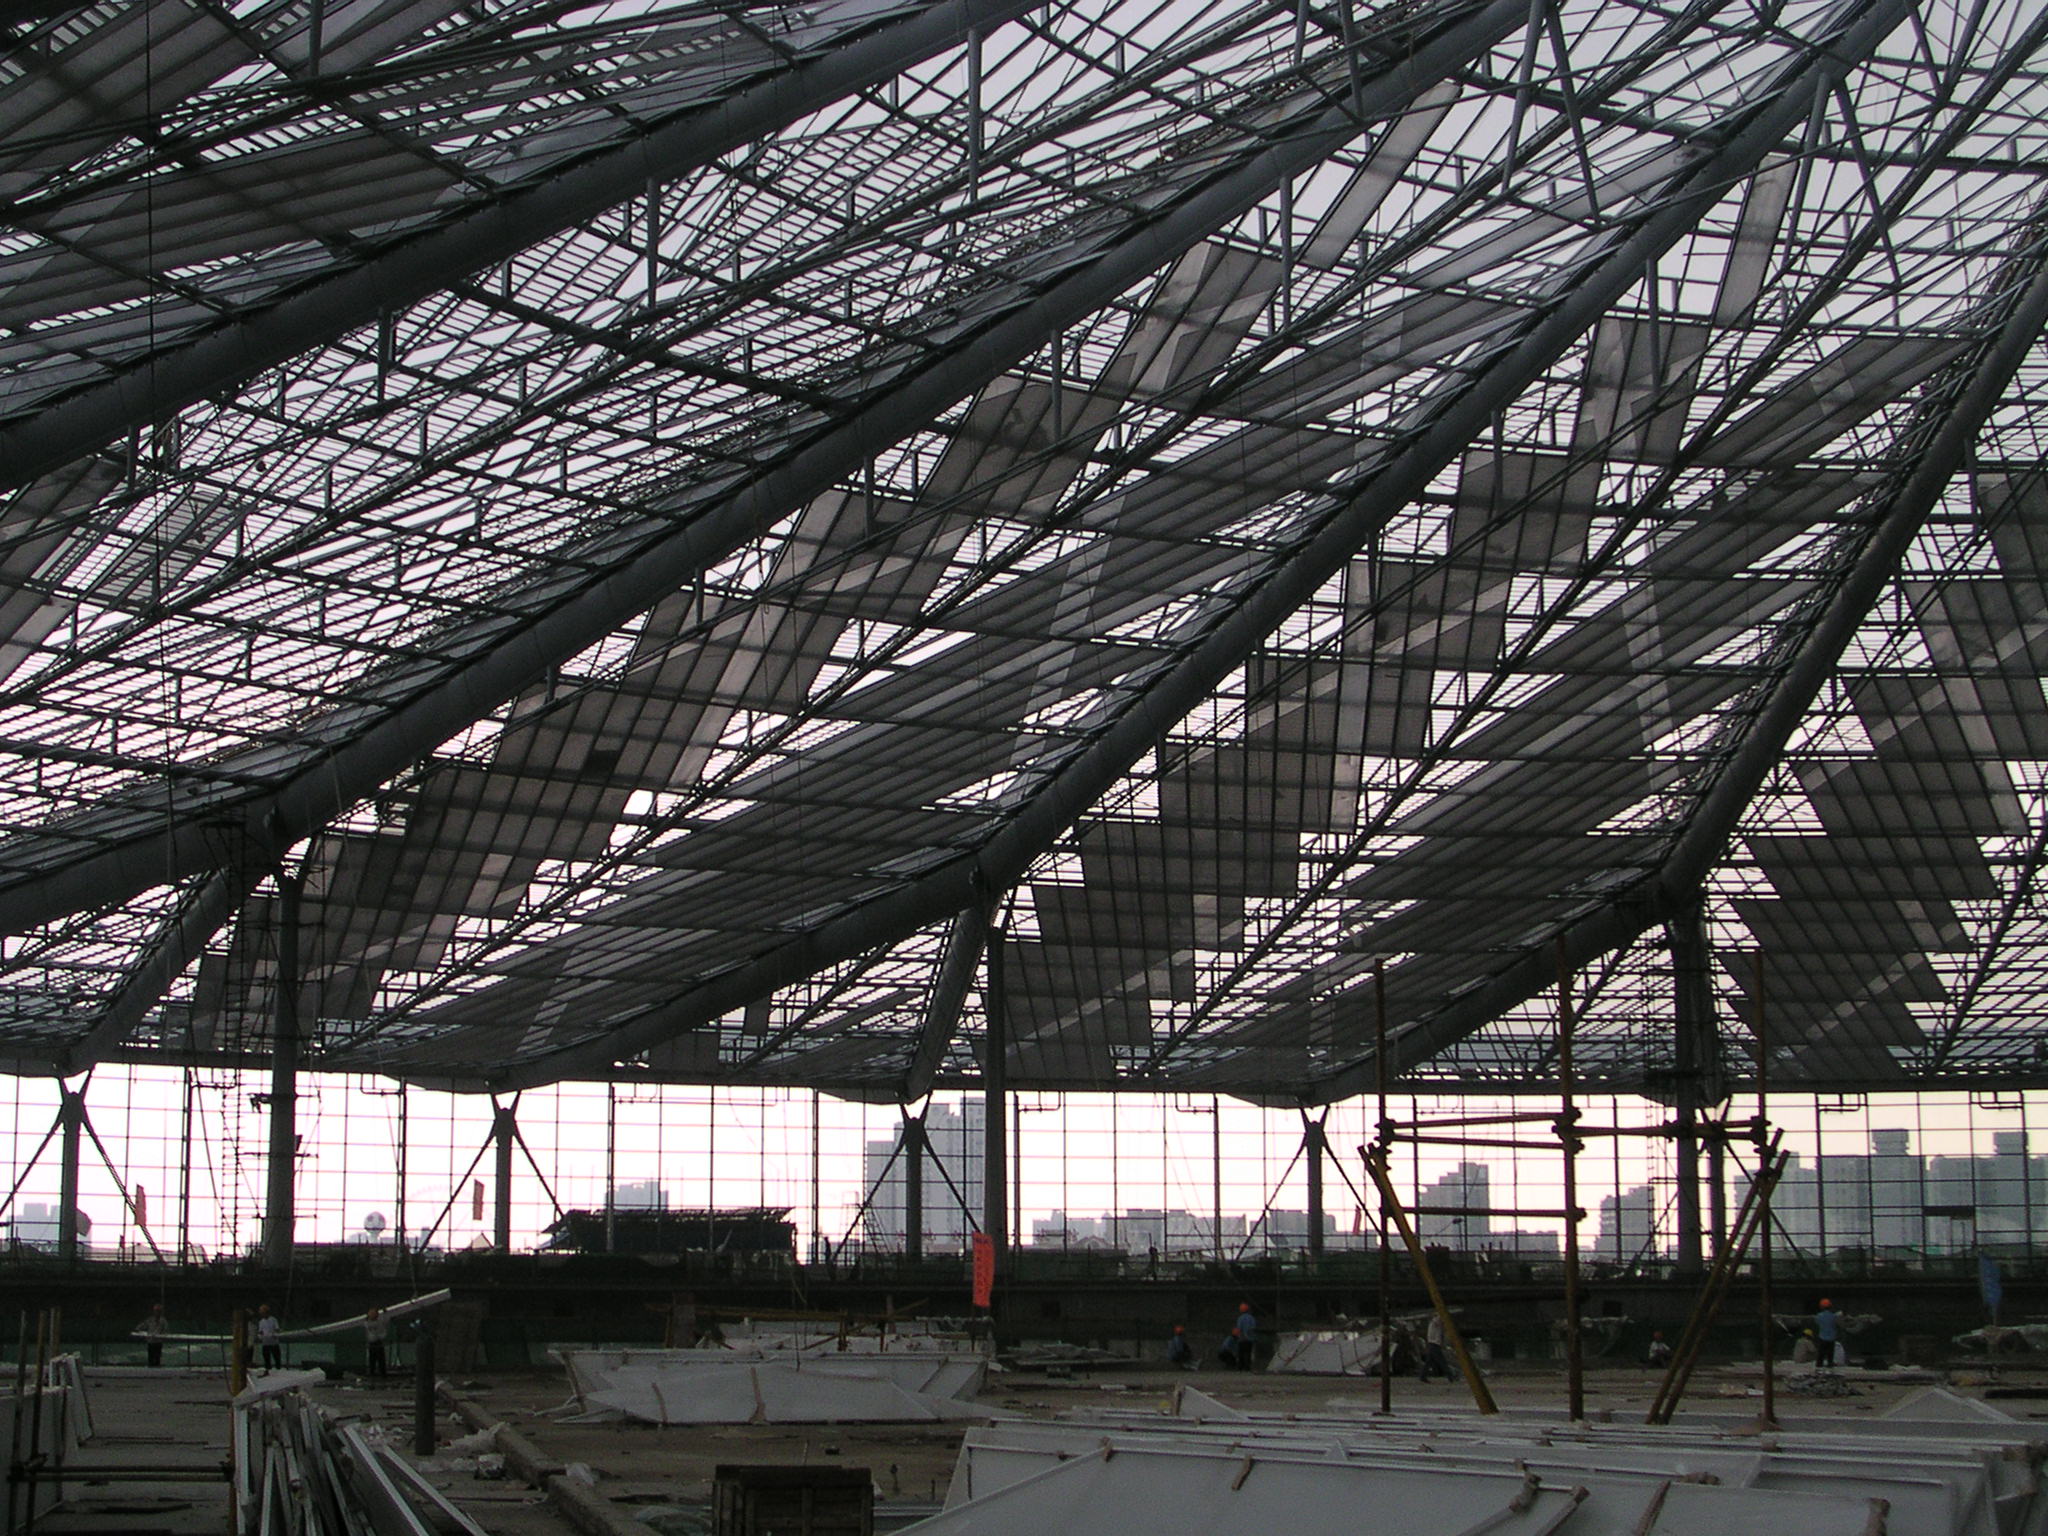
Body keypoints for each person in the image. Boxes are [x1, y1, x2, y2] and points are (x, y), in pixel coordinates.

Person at [1418, 1312, 1452, 1381]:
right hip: (1434, 1344)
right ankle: (1450, 1376)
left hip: (1432, 1344)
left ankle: (1422, 1376)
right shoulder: (1435, 1323)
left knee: (1429, 1362)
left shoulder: (1433, 1324)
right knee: (1442, 1361)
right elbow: (1440, 1321)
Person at [136, 1303, 168, 1369]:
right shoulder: (150, 1320)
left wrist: (161, 1335)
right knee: (150, 1359)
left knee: (157, 1359)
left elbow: (165, 1331)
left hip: (158, 1342)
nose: (157, 1312)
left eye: (159, 1311)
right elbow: (139, 1327)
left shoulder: (163, 1321)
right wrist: (143, 1333)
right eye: (156, 1311)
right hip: (151, 1342)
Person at [1228, 1302, 1258, 1371]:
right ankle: (1247, 1368)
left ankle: (1240, 1368)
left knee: (1241, 1353)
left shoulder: (1240, 1318)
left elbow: (1239, 1329)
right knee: (1248, 1353)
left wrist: (1239, 1336)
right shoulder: (1251, 1318)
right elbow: (1253, 1328)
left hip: (1242, 1339)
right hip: (1250, 1339)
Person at [363, 1306, 389, 1379]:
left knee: (380, 1360)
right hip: (373, 1343)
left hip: (378, 1342)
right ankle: (373, 1374)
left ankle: (382, 1375)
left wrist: (385, 1313)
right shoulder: (368, 1323)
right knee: (373, 1360)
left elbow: (386, 1320)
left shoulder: (377, 1321)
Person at [257, 1303, 283, 1371]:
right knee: (266, 1360)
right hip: (265, 1343)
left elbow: (277, 1329)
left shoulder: (273, 1319)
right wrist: (260, 1336)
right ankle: (268, 1371)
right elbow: (260, 1331)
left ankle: (278, 1371)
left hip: (274, 1343)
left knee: (277, 1359)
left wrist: (275, 1334)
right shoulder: (261, 1322)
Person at [1815, 1298, 1841, 1367]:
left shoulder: (1819, 1316)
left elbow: (1817, 1323)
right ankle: (1830, 1365)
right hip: (1832, 1338)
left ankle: (1819, 1367)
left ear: (1821, 1307)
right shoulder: (1834, 1316)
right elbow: (1837, 1324)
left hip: (1822, 1337)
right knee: (1830, 1355)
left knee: (1820, 1355)